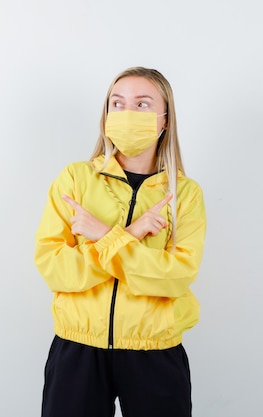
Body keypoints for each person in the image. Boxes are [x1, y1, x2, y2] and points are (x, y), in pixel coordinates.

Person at [34, 67, 207, 417]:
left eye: (142, 104)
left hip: (155, 350)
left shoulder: (183, 194)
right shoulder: (75, 179)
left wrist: (103, 235)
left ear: (164, 120)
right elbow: (55, 268)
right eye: (118, 103)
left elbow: (174, 278)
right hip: (77, 348)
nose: (127, 113)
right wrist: (129, 236)